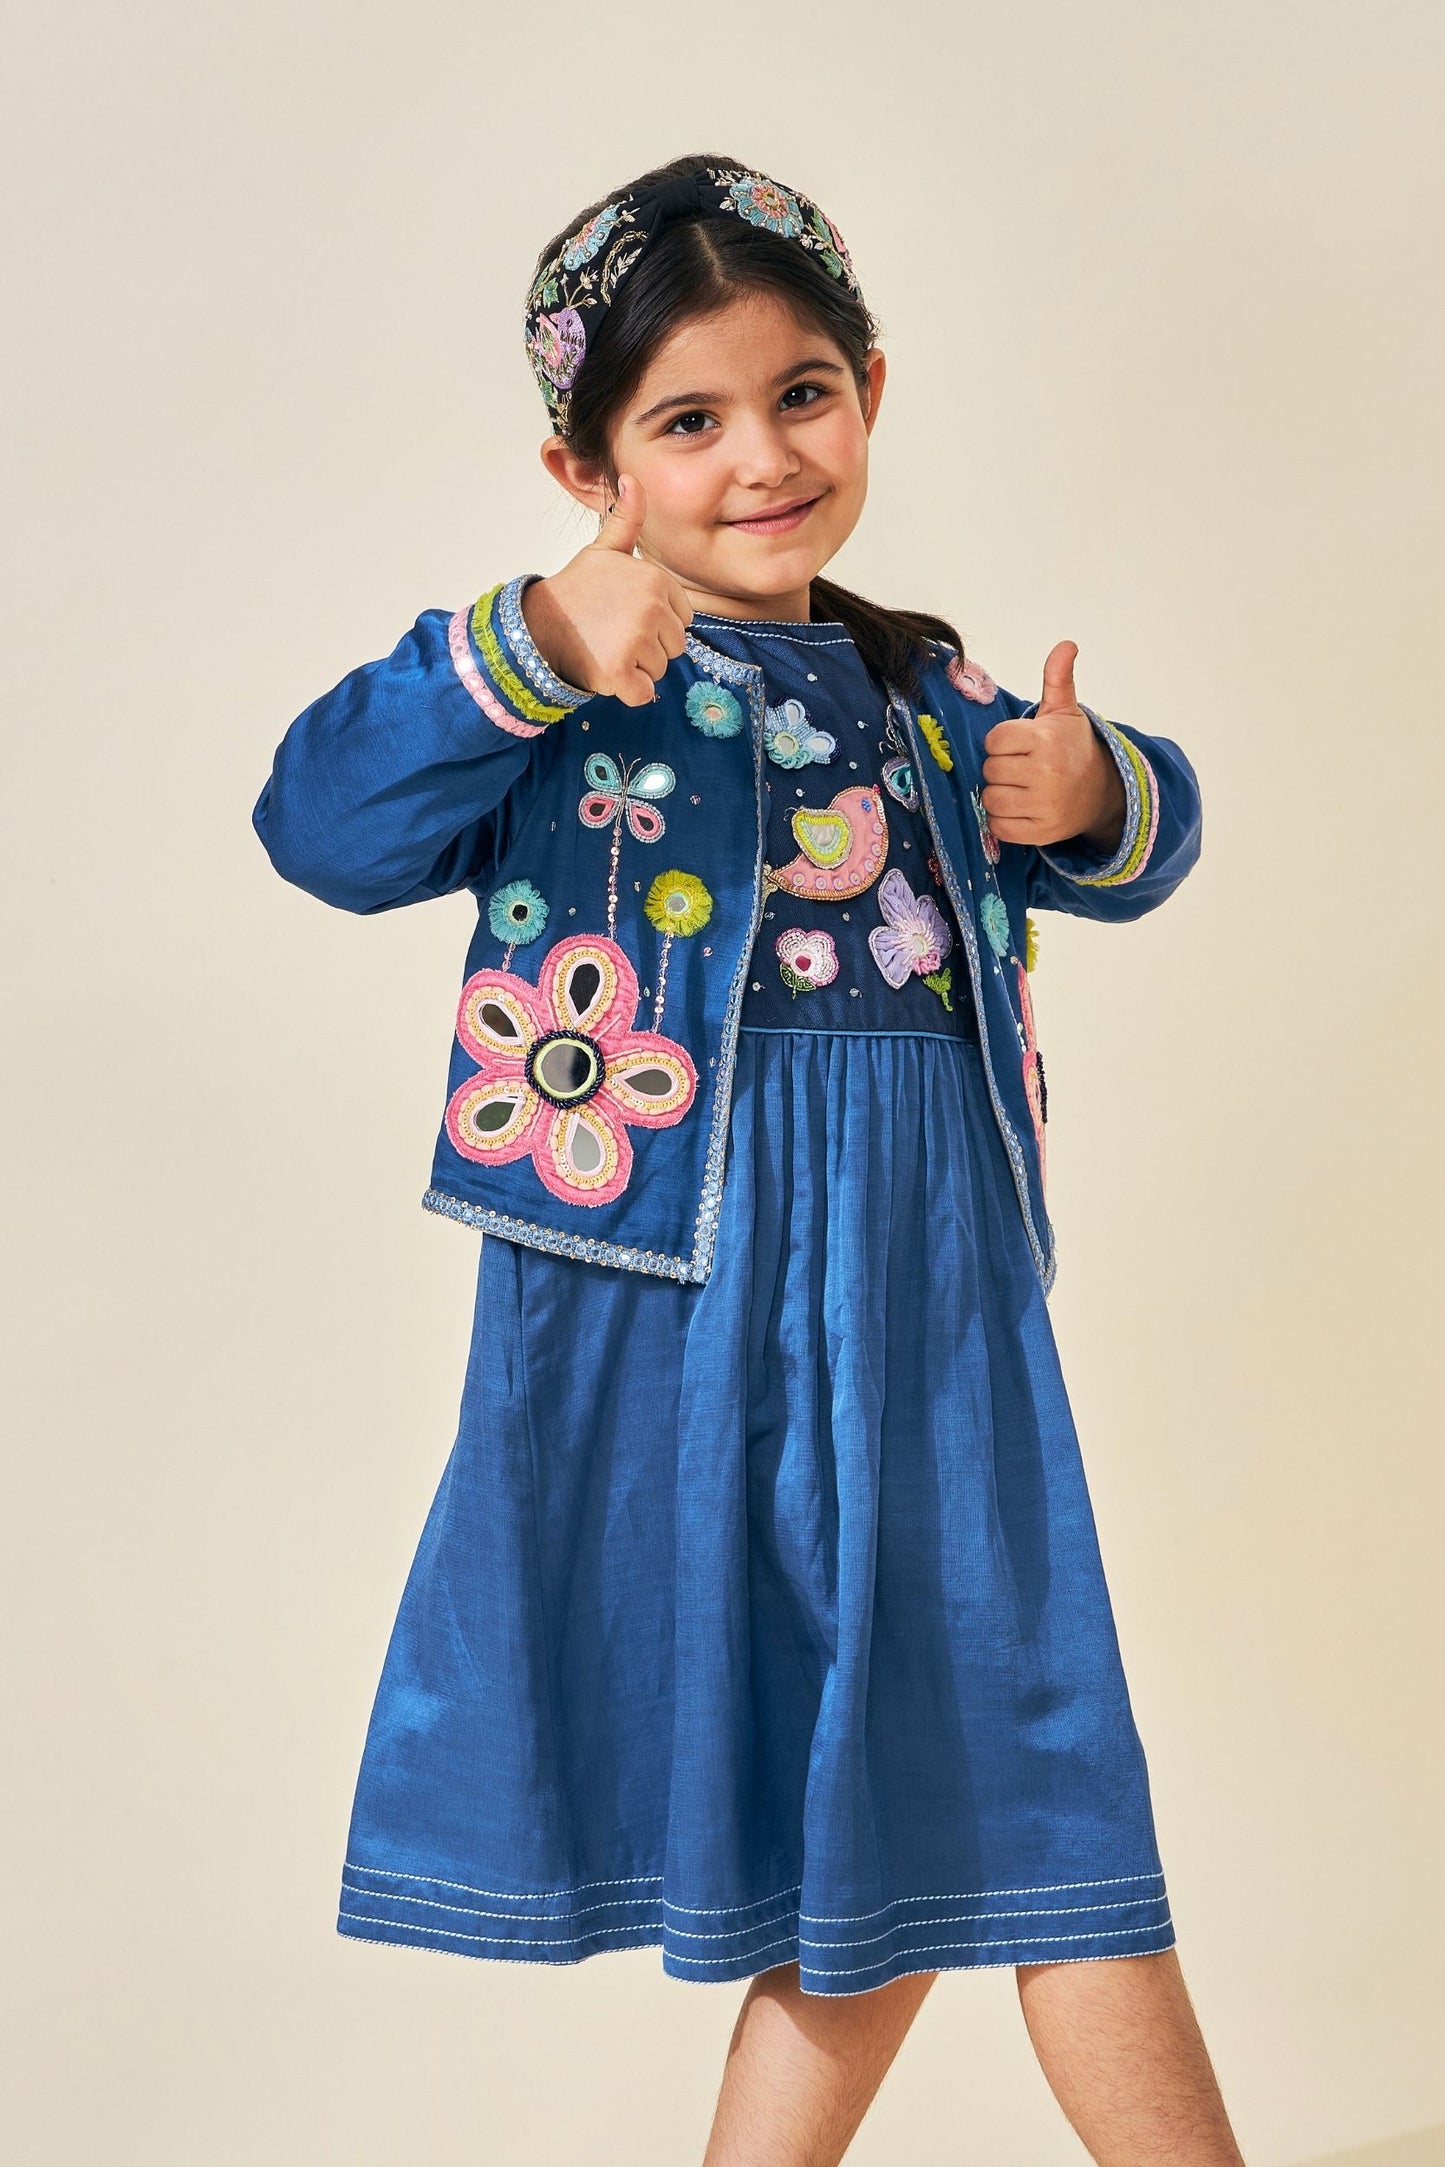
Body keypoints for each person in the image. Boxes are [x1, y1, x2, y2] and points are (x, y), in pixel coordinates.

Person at [252, 153, 1245, 2165]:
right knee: (915, 1795)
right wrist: (530, 642)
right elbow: (321, 826)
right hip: (668, 1296)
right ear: (588, 468)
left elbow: (1138, 841)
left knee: (988, 1778)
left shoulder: (922, 685)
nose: (762, 457)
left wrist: (1098, 790)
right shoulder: (551, 678)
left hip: (932, 1300)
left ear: (869, 390)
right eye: (687, 421)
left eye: (800, 395)